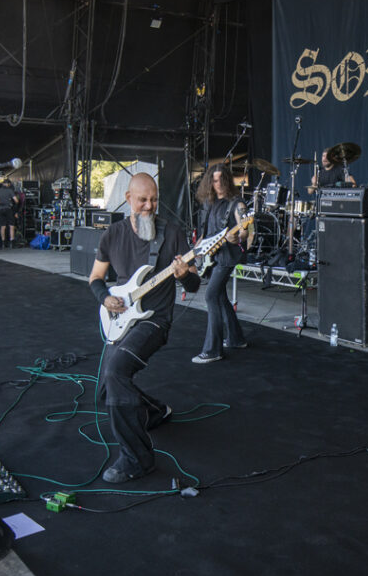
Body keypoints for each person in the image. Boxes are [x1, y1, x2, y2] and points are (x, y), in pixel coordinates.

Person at [88, 173, 200, 483]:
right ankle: (154, 411)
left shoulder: (172, 233)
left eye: (153, 199)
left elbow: (193, 281)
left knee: (116, 373)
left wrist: (182, 276)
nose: (149, 206)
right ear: (128, 200)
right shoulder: (112, 234)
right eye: (142, 200)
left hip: (154, 320)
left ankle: (136, 458)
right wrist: (106, 298)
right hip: (121, 317)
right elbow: (96, 278)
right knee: (105, 392)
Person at [193, 164, 249, 364]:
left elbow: (244, 230)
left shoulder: (237, 203)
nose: (218, 184)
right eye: (214, 180)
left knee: (211, 296)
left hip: (227, 257)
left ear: (227, 180)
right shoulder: (209, 203)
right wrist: (193, 254)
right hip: (212, 256)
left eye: (221, 180)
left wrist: (239, 237)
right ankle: (236, 338)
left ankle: (212, 350)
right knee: (221, 297)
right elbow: (205, 234)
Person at [0, 180, 19, 249]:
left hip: (1, 209)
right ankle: (12, 242)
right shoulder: (10, 190)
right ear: (8, 184)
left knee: (3, 226)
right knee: (11, 226)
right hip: (9, 209)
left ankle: (3, 243)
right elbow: (16, 201)